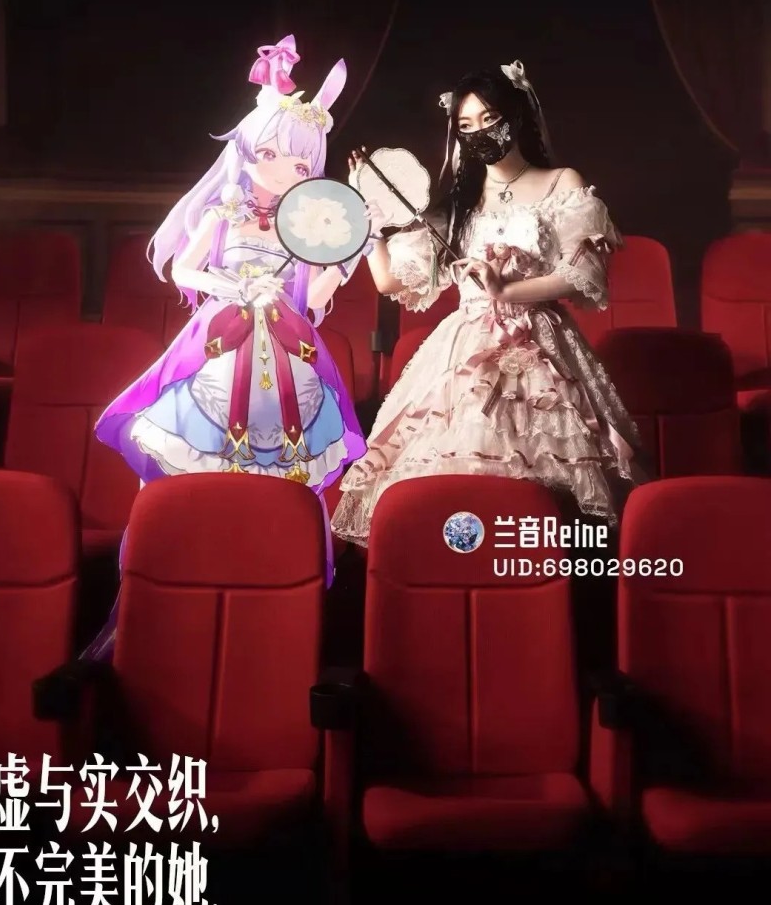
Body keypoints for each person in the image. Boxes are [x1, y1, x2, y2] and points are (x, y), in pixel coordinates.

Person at [85, 35, 370, 658]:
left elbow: (314, 300)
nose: (291, 169)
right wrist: (231, 285)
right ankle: (168, 610)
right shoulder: (223, 213)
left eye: (303, 164)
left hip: (288, 351)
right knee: (195, 478)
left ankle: (268, 619)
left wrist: (350, 254)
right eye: (278, 155)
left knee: (282, 485)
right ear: (252, 151)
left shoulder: (306, 225)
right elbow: (183, 270)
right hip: (221, 343)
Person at [331, 61, 645, 548]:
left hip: (542, 342)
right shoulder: (458, 203)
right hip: (464, 349)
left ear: (516, 116)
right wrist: (368, 223)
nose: (479, 132)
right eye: (466, 125)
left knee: (550, 488)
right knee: (457, 474)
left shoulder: (562, 182)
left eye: (489, 119)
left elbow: (583, 275)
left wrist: (507, 291)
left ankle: (534, 573)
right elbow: (390, 280)